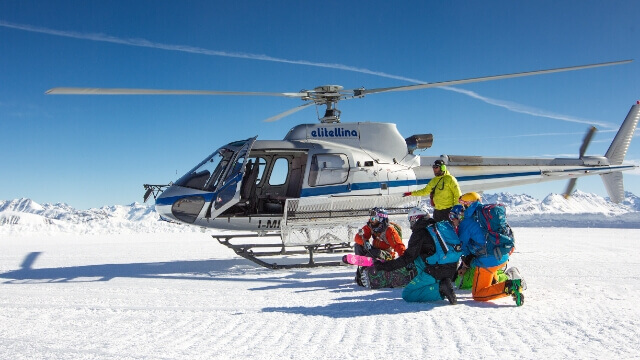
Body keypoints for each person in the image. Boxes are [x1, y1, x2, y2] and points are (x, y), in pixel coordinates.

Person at [373, 206, 460, 304]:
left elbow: (407, 258)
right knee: (418, 256)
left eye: (410, 220)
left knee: (408, 294)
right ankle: (437, 282)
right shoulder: (435, 226)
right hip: (451, 267)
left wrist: (384, 266)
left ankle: (440, 288)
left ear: (415, 219)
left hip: (436, 270)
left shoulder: (419, 233)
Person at [456, 192, 525, 306]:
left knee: (478, 294)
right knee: (490, 276)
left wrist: (465, 259)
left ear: (468, 204)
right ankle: (509, 276)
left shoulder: (467, 222)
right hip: (503, 255)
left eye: (464, 205)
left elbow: (461, 245)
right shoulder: (488, 215)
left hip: (488, 262)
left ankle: (511, 286)